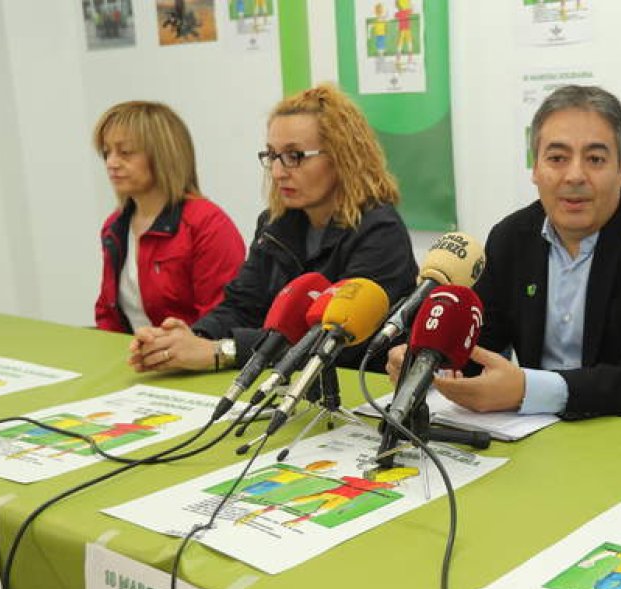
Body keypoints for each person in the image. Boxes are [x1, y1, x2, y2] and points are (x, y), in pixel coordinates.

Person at [388, 85, 621, 429]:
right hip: (536, 435)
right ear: (536, 168)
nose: (574, 176)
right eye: (557, 158)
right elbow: (480, 341)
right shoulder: (512, 238)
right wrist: (430, 359)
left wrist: (528, 390)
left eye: (595, 159)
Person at [128, 83, 418, 374]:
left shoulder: (380, 232)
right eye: (272, 156)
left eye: (295, 156)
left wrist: (222, 351)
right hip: (283, 379)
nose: (278, 172)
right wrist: (189, 339)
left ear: (343, 158)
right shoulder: (275, 224)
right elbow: (242, 305)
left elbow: (336, 343)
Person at [93, 101, 245, 334]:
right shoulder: (114, 225)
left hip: (194, 362)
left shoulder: (208, 224)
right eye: (107, 153)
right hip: (135, 357)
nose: (112, 163)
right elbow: (107, 314)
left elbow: (224, 320)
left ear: (163, 155)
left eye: (125, 153)